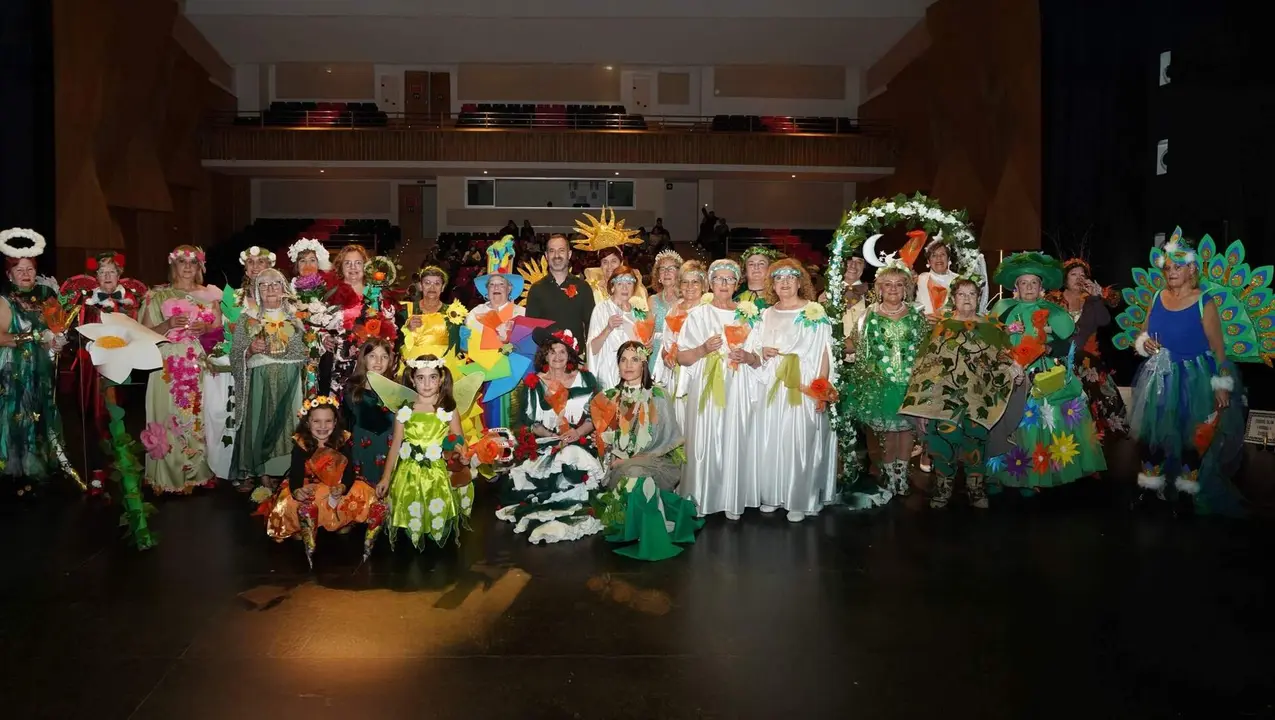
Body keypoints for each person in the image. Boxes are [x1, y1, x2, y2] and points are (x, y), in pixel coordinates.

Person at [1126, 232, 1250, 516]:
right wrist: (1143, 343)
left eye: (1178, 267)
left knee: (1192, 438)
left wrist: (1221, 385)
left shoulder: (1203, 301)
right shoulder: (1157, 296)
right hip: (1159, 377)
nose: (1171, 272)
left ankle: (1185, 494)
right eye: (1168, 267)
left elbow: (1219, 350)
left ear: (1191, 269)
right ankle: (1149, 488)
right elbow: (1142, 333)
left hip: (1194, 380)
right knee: (1152, 435)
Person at [985, 252, 1106, 493]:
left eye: (1034, 283)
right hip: (1010, 374)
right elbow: (988, 340)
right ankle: (1000, 475)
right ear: (1015, 287)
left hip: (1043, 376)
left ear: (1041, 287)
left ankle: (1032, 477)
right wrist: (1005, 334)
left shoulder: (1054, 311)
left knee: (1034, 425)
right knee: (1007, 422)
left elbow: (1069, 342)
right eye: (1023, 283)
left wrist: (1049, 346)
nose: (1028, 287)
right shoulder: (1002, 309)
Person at [899, 276, 1016, 508]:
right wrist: (922, 407)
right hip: (943, 399)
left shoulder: (992, 328)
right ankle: (943, 487)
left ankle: (975, 488)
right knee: (944, 439)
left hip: (980, 397)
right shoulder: (941, 327)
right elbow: (924, 366)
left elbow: (1004, 357)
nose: (967, 299)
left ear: (978, 298)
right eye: (962, 294)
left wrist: (1013, 366)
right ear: (953, 298)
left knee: (976, 439)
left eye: (972, 294)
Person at [589, 342, 703, 561]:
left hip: (656, 463)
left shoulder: (658, 395)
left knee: (636, 477)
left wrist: (629, 461)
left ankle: (652, 527)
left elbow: (666, 441)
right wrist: (603, 441)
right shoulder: (610, 397)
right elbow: (609, 441)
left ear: (644, 364)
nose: (628, 365)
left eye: (634, 360)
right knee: (630, 477)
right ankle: (650, 517)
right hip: (618, 465)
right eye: (623, 359)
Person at [746, 259, 838, 522]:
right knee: (772, 439)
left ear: (800, 282)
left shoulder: (814, 311)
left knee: (801, 440)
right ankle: (774, 494)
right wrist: (762, 351)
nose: (784, 282)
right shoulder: (766, 314)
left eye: (790, 277)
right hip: (773, 384)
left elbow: (824, 353)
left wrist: (820, 388)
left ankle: (801, 498)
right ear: (772, 284)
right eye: (778, 278)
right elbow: (756, 349)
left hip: (802, 384)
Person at [497, 329, 603, 544]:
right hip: (547, 442)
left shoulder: (585, 378)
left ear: (570, 354)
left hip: (578, 441)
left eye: (562, 352)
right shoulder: (534, 383)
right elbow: (529, 423)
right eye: (552, 352)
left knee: (573, 458)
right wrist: (553, 435)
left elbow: (595, 416)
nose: (557, 357)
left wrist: (576, 432)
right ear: (545, 355)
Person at [678, 259, 762, 520]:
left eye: (729, 279)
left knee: (734, 438)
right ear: (710, 283)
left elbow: (760, 358)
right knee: (704, 438)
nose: (724, 284)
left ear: (737, 283)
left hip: (738, 386)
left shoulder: (748, 316)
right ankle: (702, 497)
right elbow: (682, 357)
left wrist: (747, 357)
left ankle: (732, 498)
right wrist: (703, 349)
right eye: (718, 279)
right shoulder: (697, 315)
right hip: (706, 386)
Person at [843, 258, 929, 509]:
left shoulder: (916, 314)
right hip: (880, 383)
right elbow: (854, 342)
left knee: (907, 432)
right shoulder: (868, 314)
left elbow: (926, 349)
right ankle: (890, 477)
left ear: (906, 289)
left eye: (899, 284)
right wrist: (830, 345)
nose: (893, 289)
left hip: (909, 383)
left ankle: (902, 477)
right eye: (887, 284)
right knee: (889, 434)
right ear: (879, 288)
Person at [262, 396, 388, 566]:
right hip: (310, 485)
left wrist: (343, 486)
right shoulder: (302, 443)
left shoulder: (341, 440)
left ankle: (342, 520)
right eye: (317, 422)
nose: (322, 427)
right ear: (308, 423)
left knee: (361, 492)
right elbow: (296, 474)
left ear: (335, 422)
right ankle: (301, 525)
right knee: (290, 501)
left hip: (336, 485)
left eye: (328, 421)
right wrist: (297, 490)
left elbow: (350, 471)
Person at [0, 228, 77, 495]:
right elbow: (1, 337)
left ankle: (37, 467)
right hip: (14, 369)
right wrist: (32, 335)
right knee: (16, 418)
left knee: (41, 414)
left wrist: (57, 341)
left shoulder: (46, 295)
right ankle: (16, 474)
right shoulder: (5, 299)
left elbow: (56, 330)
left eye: (29, 269)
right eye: (19, 269)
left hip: (41, 368)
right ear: (9, 273)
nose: (25, 274)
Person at [139, 245, 222, 494]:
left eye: (193, 262)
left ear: (200, 267)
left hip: (200, 365)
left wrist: (206, 330)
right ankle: (168, 477)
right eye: (182, 262)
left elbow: (221, 334)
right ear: (172, 265)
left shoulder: (211, 296)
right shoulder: (156, 296)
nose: (187, 266)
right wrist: (167, 324)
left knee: (199, 417)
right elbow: (143, 334)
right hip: (167, 365)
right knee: (167, 416)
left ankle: (200, 472)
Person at [376, 357, 474, 550]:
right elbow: (396, 443)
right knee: (411, 510)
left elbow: (458, 439)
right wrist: (386, 477)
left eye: (432, 377)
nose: (427, 384)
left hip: (437, 472)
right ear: (412, 380)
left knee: (435, 511)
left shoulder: (448, 409)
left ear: (441, 379)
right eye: (421, 378)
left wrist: (462, 455)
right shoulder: (405, 410)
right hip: (408, 471)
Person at [229, 269, 307, 487]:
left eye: (275, 284)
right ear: (256, 290)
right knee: (260, 425)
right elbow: (235, 353)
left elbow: (306, 350)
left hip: (291, 382)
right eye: (263, 285)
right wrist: (250, 349)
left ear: (284, 288)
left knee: (289, 426)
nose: (270, 289)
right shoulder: (248, 318)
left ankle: (288, 472)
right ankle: (262, 473)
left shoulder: (297, 316)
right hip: (260, 382)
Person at [60, 252, 148, 440]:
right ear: (96, 276)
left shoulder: (132, 304)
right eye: (102, 272)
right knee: (93, 413)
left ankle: (122, 454)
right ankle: (97, 457)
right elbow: (73, 334)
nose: (107, 276)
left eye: (112, 272)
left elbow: (143, 332)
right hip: (92, 369)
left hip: (125, 366)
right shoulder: (85, 303)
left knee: (123, 413)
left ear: (119, 274)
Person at [1045, 258, 1128, 435]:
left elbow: (1104, 321)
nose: (1078, 278)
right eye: (1073, 274)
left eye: (1082, 275)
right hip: (1057, 356)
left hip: (1086, 358)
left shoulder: (1091, 300)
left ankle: (1093, 432)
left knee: (1093, 379)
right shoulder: (1052, 300)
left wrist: (1096, 298)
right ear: (1065, 279)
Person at [465, 236, 527, 428]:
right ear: (486, 290)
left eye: (501, 284)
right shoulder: (475, 313)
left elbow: (527, 349)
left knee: (514, 423)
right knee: (487, 425)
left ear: (510, 289)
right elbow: (468, 349)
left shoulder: (521, 313)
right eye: (492, 284)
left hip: (515, 381)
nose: (496, 288)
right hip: (484, 380)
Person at [326, 244, 398, 391]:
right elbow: (320, 326)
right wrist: (324, 338)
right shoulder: (331, 294)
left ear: (366, 266)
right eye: (348, 263)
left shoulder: (377, 293)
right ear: (341, 267)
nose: (353, 267)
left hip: (373, 363)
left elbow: (391, 326)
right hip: (342, 362)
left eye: (358, 263)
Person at [343, 337, 397, 483]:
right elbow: (345, 425)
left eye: (384, 357)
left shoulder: (396, 391)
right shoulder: (352, 390)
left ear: (390, 360)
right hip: (362, 450)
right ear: (364, 359)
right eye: (372, 356)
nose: (378, 362)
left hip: (389, 449)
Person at [587, 265, 650, 388]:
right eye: (620, 283)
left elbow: (642, 352)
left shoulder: (638, 314)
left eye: (629, 283)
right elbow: (592, 349)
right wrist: (608, 329)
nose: (625, 288)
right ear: (612, 286)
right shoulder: (601, 309)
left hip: (632, 377)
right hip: (608, 374)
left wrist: (646, 348)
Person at [524, 233, 595, 342]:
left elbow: (592, 327)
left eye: (561, 250)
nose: (557, 255)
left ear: (569, 254)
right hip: (547, 356)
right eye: (552, 251)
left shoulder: (583, 287)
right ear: (546, 256)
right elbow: (531, 329)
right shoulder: (536, 289)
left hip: (576, 356)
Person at [575, 207, 646, 303]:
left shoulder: (635, 287)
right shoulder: (590, 288)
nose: (609, 267)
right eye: (605, 262)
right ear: (600, 264)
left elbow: (642, 314)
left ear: (621, 263)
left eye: (613, 261)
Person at [648, 249, 683, 377]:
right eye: (662, 269)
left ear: (679, 273)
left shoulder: (686, 301)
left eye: (671, 268)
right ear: (658, 276)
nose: (666, 272)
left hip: (679, 354)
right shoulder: (652, 300)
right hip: (655, 353)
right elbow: (648, 333)